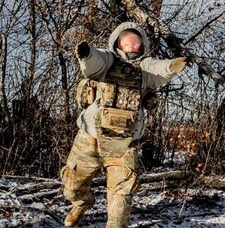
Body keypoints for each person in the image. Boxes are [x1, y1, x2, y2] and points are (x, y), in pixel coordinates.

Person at [60, 22, 187, 227]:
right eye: (126, 36)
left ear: (142, 44)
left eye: (136, 38)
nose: (131, 40)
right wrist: (86, 53)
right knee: (71, 186)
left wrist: (172, 66)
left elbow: (159, 69)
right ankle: (82, 203)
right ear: (117, 41)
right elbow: (94, 61)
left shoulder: (146, 68)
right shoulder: (108, 60)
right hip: (89, 138)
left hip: (125, 144)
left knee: (121, 201)